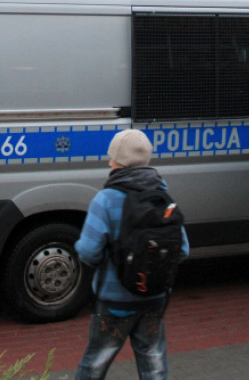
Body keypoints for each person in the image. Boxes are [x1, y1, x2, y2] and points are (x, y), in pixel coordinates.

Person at [74, 129, 190, 380]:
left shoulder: (105, 199)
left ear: (117, 161)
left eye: (111, 158)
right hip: (154, 299)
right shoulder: (163, 197)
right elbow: (182, 250)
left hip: (114, 303)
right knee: (153, 361)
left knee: (94, 364)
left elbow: (88, 251)